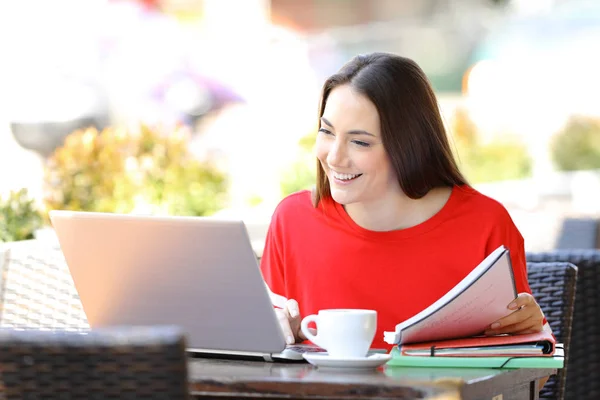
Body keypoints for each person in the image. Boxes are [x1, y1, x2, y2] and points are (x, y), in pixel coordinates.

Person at [259, 53, 546, 351]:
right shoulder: (292, 220)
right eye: (327, 132)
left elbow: (527, 380)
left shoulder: (484, 223)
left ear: (409, 145)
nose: (334, 157)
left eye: (360, 142)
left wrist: (530, 334)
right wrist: (274, 335)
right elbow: (262, 360)